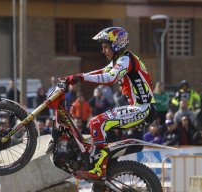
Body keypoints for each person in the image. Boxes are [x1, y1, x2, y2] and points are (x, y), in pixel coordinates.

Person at [64, 26, 156, 179]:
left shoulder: (126, 59)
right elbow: (103, 71)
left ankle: (99, 168)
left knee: (96, 122)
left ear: (116, 45)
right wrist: (76, 77)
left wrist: (81, 77)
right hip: (139, 107)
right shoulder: (122, 59)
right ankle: (105, 163)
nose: (103, 51)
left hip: (143, 109)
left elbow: (110, 78)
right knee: (98, 124)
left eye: (106, 47)